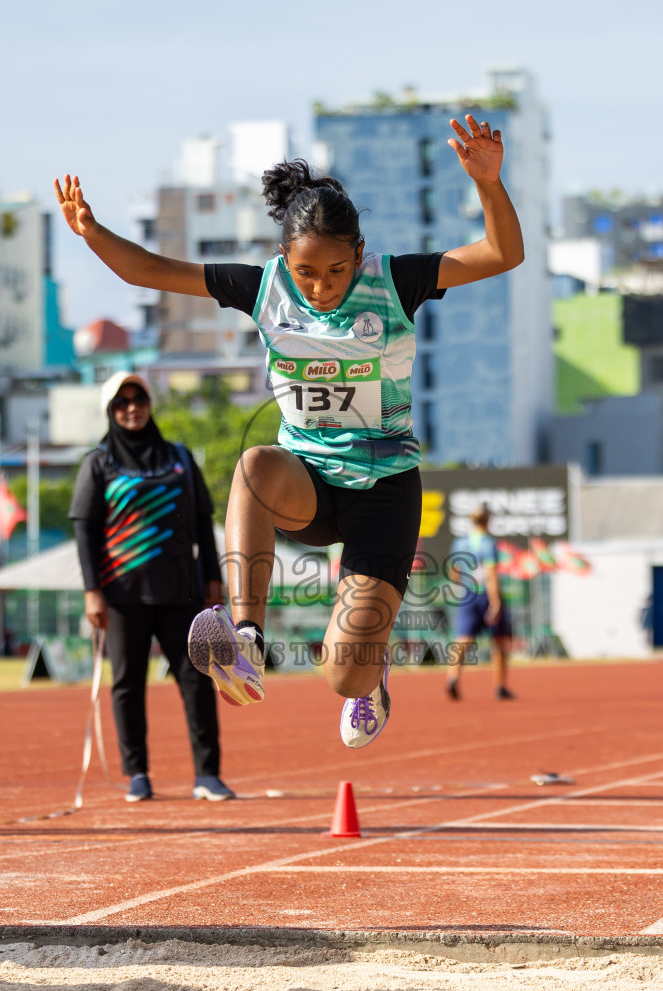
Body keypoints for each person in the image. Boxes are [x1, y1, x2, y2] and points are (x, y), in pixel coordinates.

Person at [54, 114, 524, 749]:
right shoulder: (264, 289)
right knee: (254, 464)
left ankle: (372, 670)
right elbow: (146, 271)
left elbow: (502, 254)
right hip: (308, 484)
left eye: (335, 271)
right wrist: (91, 232)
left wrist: (490, 186)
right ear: (285, 260)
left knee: (341, 676)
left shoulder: (396, 280)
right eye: (307, 274)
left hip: (383, 495)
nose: (322, 288)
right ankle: (246, 638)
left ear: (358, 253)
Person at [70, 371, 231, 802]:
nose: (131, 409)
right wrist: (92, 591)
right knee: (127, 684)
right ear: (110, 410)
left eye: (138, 399)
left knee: (197, 680)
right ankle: (137, 773)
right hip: (123, 594)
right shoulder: (98, 462)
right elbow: (84, 530)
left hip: (183, 590)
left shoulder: (179, 457)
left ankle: (208, 775)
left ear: (149, 403)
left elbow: (201, 520)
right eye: (121, 403)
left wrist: (213, 577)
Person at [444, 506, 514, 701]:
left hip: (467, 594)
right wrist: (496, 602)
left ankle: (452, 678)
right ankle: (500, 686)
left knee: (462, 638)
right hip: (486, 594)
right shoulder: (489, 543)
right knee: (498, 640)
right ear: (487, 519)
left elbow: (453, 571)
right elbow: (491, 574)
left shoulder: (460, 542)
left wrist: (463, 586)